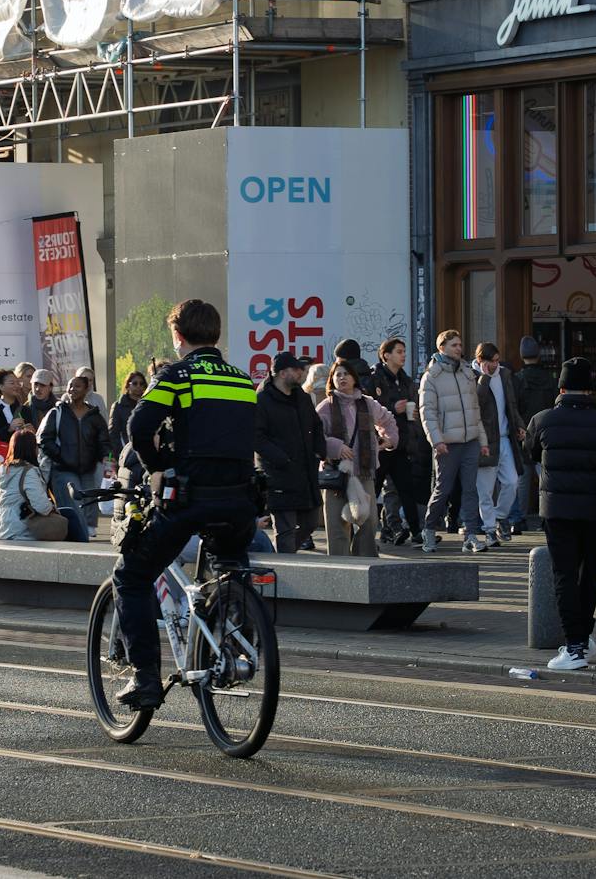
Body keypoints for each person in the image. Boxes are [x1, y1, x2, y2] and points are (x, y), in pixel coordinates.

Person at [111, 299, 258, 709]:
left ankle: (144, 680)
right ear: (216, 334)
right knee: (227, 571)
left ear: (178, 336)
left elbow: (137, 426)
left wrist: (157, 467)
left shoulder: (177, 375)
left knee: (132, 577)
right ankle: (229, 642)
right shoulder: (242, 380)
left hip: (192, 498)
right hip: (240, 502)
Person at [530, 357, 596, 671]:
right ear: (590, 389)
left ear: (561, 387)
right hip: (593, 511)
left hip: (557, 510)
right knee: (589, 575)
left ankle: (573, 646)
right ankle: (584, 640)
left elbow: (531, 455)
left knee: (564, 576)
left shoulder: (542, 420)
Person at [417, 330, 489, 555]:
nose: (459, 348)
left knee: (470, 489)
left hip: (469, 441)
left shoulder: (467, 372)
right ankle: (428, 530)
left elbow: (475, 410)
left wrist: (482, 440)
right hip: (447, 442)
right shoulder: (432, 376)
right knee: (443, 488)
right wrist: (436, 440)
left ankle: (470, 536)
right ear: (442, 348)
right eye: (454, 345)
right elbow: (427, 413)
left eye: (459, 345)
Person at [318, 360, 398, 557]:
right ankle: (340, 569)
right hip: (335, 475)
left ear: (354, 378)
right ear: (332, 380)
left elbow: (388, 420)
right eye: (337, 374)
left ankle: (364, 565)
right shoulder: (325, 407)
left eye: (346, 373)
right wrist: (336, 447)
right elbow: (315, 437)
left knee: (368, 522)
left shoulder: (367, 403)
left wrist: (389, 439)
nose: (342, 377)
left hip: (363, 472)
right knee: (338, 526)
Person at [254, 353, 326, 553]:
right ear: (283, 373)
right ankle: (286, 565)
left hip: (305, 473)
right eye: (296, 369)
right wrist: (281, 459)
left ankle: (284, 557)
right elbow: (256, 437)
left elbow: (316, 425)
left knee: (311, 521)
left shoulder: (301, 397)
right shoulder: (262, 400)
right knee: (285, 529)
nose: (301, 372)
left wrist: (320, 451)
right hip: (279, 475)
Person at [368, 338, 428, 546]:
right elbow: (370, 408)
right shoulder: (375, 379)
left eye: (404, 351)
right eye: (399, 351)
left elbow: (414, 409)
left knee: (405, 488)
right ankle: (370, 531)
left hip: (402, 443)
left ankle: (414, 531)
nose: (403, 355)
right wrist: (394, 408)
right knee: (374, 489)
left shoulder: (405, 380)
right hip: (382, 444)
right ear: (386, 355)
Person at [39, 372, 111, 532]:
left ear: (87, 390)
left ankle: (88, 529)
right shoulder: (57, 412)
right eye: (70, 386)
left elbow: (104, 442)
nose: (72, 389)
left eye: (77, 386)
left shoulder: (94, 416)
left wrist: (107, 458)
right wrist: (60, 455)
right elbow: (44, 439)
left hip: (88, 469)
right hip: (63, 469)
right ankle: (75, 531)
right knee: (72, 499)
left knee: (89, 499)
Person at [471, 342, 527, 547]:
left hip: (505, 438)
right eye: (492, 361)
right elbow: (477, 403)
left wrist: (519, 425)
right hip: (485, 439)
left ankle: (499, 517)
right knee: (484, 489)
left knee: (512, 482)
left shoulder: (504, 375)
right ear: (480, 361)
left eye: (497, 360)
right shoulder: (473, 376)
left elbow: (511, 405)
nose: (496, 365)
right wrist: (484, 378)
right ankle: (488, 529)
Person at [0, 430, 90, 543]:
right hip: (22, 528)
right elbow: (42, 507)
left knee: (66, 514)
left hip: (4, 527)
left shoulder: (4, 471)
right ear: (31, 448)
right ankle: (83, 555)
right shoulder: (27, 472)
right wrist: (52, 508)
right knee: (70, 515)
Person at [510, 337, 558, 534]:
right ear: (538, 355)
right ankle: (547, 517)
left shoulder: (518, 379)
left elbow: (514, 406)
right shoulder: (549, 378)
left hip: (524, 431)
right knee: (545, 477)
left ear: (522, 356)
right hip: (546, 431)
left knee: (522, 477)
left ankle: (519, 519)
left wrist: (518, 428)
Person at [109, 370, 148, 481]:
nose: (138, 387)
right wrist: (117, 457)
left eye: (142, 384)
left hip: (145, 454)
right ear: (127, 385)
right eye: (135, 383)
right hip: (126, 455)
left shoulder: (147, 404)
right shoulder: (118, 406)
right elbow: (113, 434)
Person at [0, 368, 35, 444]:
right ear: (1, 387)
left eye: (18, 383)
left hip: (18, 454)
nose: (17, 386)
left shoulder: (24, 409)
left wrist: (30, 432)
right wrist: (9, 429)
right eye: (12, 383)